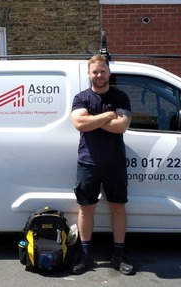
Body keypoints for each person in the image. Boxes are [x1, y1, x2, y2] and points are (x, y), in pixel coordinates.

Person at [70, 54, 134, 275]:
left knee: (118, 207)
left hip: (115, 163)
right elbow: (79, 123)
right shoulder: (81, 98)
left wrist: (93, 121)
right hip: (88, 163)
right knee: (86, 208)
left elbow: (121, 127)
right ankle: (86, 255)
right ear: (89, 74)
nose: (99, 75)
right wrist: (108, 115)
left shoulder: (121, 97)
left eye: (102, 71)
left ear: (109, 72)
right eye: (95, 71)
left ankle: (119, 255)